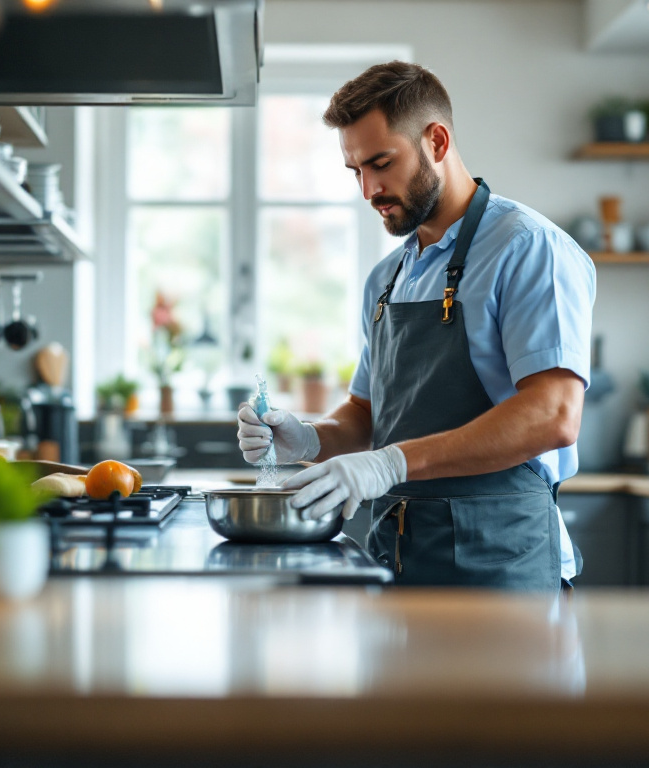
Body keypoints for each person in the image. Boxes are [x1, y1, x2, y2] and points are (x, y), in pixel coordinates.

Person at [237, 61, 595, 591]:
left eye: (381, 163)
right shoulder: (388, 278)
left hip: (500, 562)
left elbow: (553, 415)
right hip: (399, 555)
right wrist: (310, 439)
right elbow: (368, 413)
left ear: (437, 141)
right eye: (356, 170)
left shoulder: (527, 248)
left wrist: (387, 465)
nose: (368, 190)